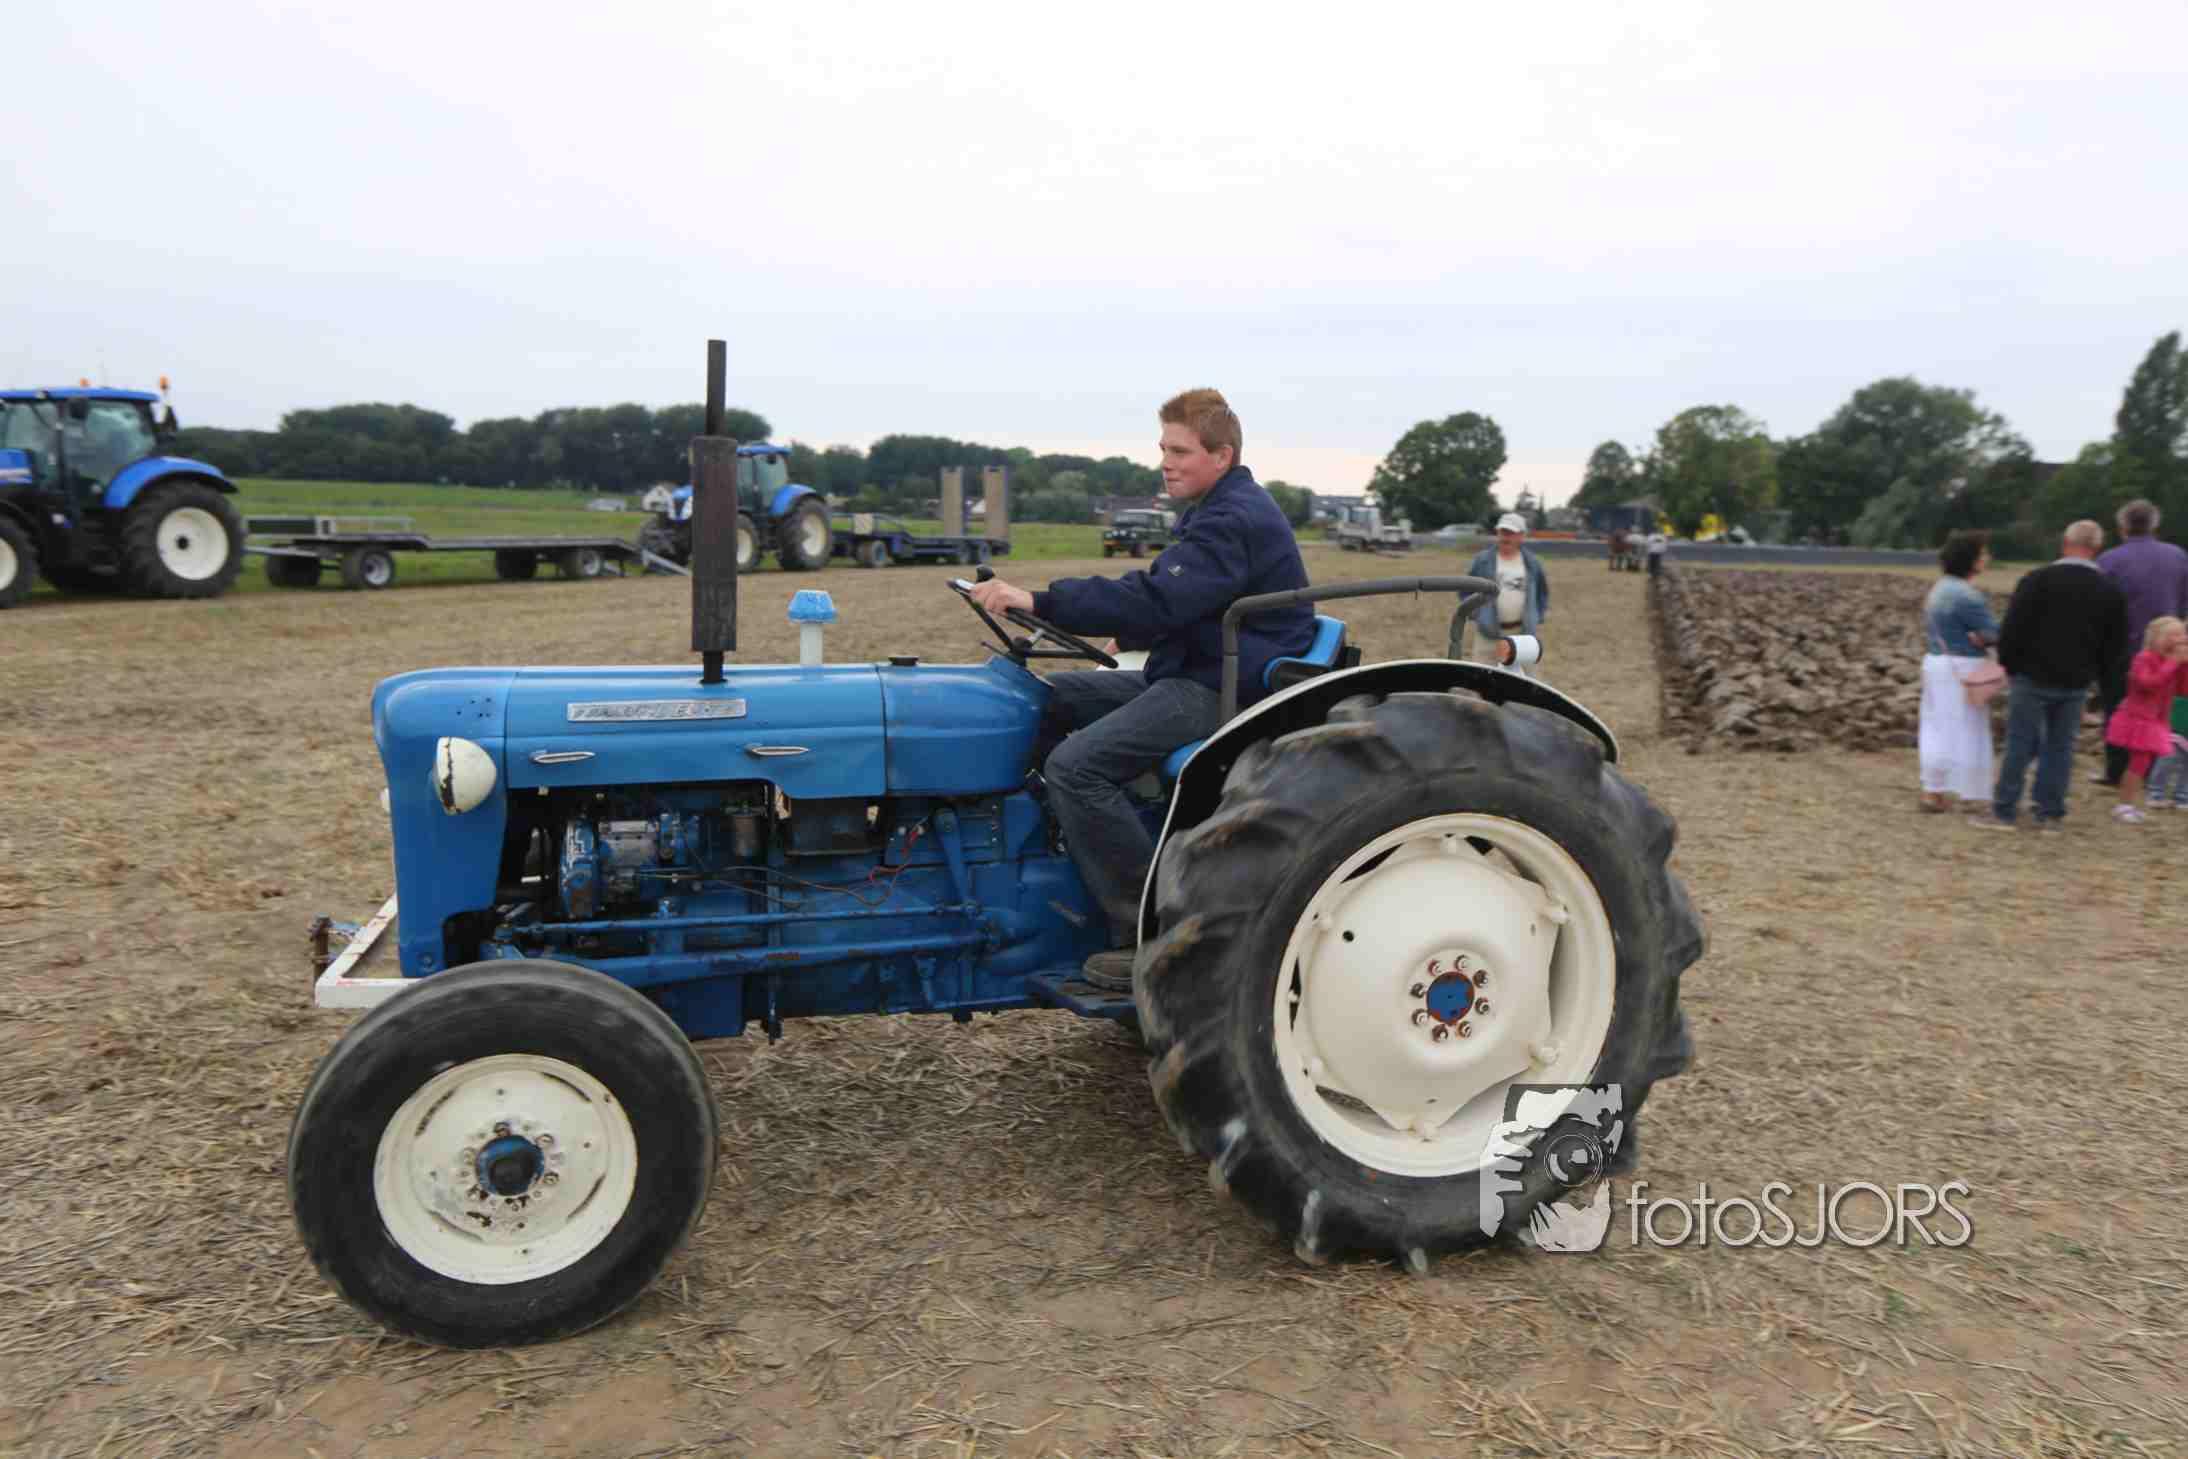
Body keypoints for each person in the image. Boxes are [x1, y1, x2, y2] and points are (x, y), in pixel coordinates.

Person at [968, 388, 1313, 990]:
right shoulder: (1213, 508)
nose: (1165, 463)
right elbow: (1184, 600)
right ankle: (1067, 847)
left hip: (1224, 684)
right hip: (1199, 665)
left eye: (1180, 451)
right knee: (1048, 697)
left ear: (1222, 456)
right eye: (1163, 449)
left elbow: (1157, 598)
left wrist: (1040, 600)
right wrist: (1127, 629)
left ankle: (1151, 931)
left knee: (1076, 766)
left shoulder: (1231, 519)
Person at [1980, 521, 2130, 831]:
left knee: (2019, 743)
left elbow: (2013, 628)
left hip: (2031, 675)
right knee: (2061, 748)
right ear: (2097, 549)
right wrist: (2097, 677)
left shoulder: (2037, 580)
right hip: (2076, 680)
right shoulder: (2109, 590)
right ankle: (2050, 813)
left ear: (2064, 543)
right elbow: (2114, 644)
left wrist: (2010, 665)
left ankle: (2005, 810)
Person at [2091, 500, 2188, 787]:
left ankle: (2118, 770)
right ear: (2154, 525)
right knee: (2162, 709)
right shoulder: (2177, 556)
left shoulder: (2109, 560)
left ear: (2123, 526)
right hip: (2166, 646)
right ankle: (2154, 771)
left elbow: (2099, 608)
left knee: (2118, 709)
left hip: (2121, 647)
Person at [1917, 531, 2000, 814]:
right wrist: (1984, 638)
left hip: (1935, 662)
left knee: (1935, 728)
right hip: (1963, 665)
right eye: (1983, 553)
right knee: (1969, 728)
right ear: (1972, 560)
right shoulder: (1967, 596)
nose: (1987, 558)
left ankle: (1933, 791)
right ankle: (1970, 793)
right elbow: (1994, 633)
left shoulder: (1939, 588)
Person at [2104, 616, 2188, 825]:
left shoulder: (2171, 661)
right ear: (2159, 638)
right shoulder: (2144, 658)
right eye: (2175, 634)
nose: (2181, 639)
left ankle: (2128, 805)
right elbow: (2148, 684)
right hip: (2138, 719)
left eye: (2182, 634)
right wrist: (2173, 662)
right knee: (2138, 763)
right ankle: (2123, 806)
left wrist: (2183, 665)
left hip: (2157, 720)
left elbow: (2183, 689)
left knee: (2142, 764)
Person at [1451, 512, 1548, 664]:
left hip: (1523, 635)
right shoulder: (1481, 561)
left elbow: (1542, 594)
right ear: (1497, 533)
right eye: (1503, 532)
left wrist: (1535, 617)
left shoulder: (1533, 563)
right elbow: (1465, 590)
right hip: (1487, 634)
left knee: (1522, 677)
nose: (1506, 537)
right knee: (1481, 675)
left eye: (1511, 533)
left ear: (1522, 536)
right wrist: (1478, 614)